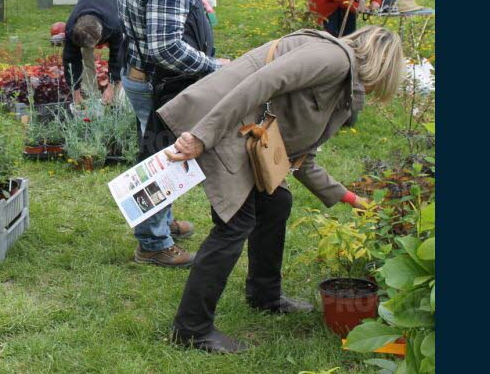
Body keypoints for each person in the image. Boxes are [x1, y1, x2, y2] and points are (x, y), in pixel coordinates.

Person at [162, 26, 403, 353]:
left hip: (246, 132)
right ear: (382, 66)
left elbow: (302, 157)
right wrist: (202, 135)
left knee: (276, 201)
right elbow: (263, 81)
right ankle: (191, 328)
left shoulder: (341, 87)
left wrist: (352, 199)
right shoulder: (331, 58)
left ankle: (264, 295)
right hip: (224, 121)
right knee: (234, 225)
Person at [117, 0, 228, 268]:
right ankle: (152, 243)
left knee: (156, 151)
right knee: (160, 158)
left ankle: (161, 223)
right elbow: (165, 48)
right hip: (155, 81)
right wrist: (213, 66)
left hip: (137, 72)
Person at [62, 0, 124, 105]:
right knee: (86, 57)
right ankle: (90, 94)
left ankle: (115, 100)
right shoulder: (71, 29)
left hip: (114, 0)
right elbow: (70, 61)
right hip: (89, 3)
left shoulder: (114, 25)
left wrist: (110, 86)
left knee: (123, 59)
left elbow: (117, 57)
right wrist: (75, 92)